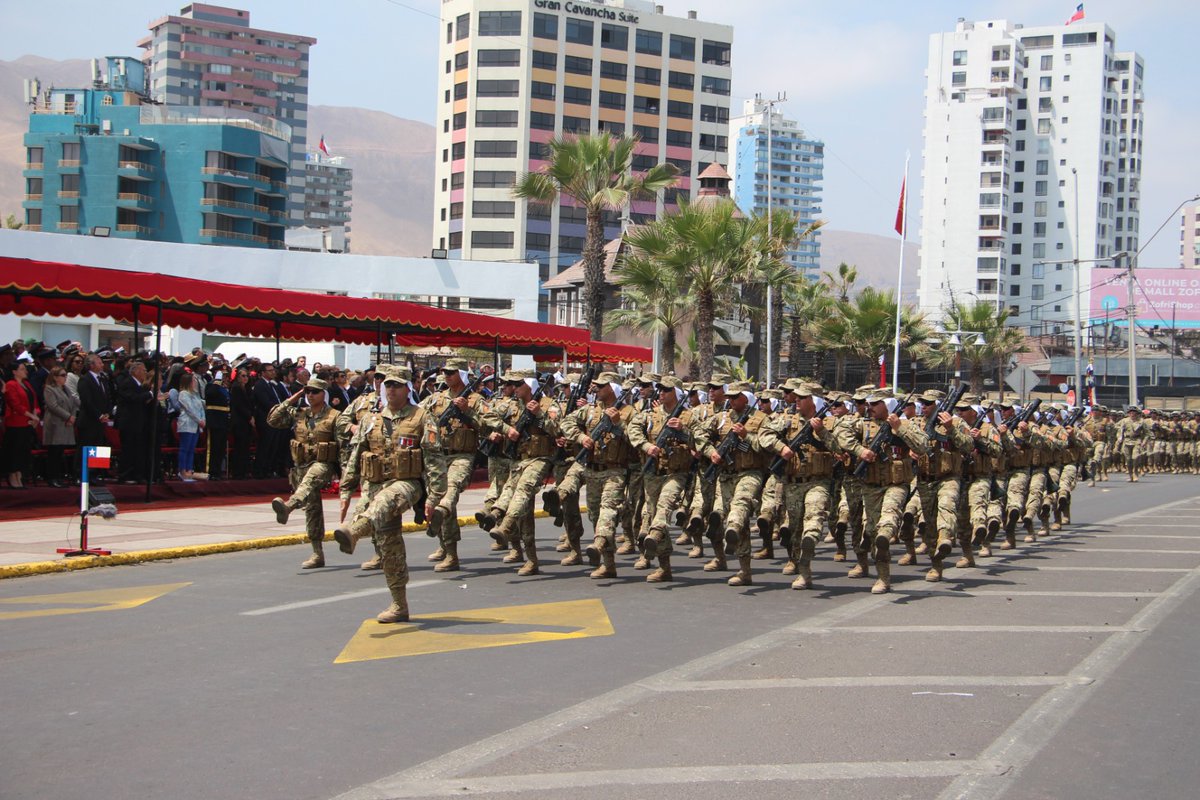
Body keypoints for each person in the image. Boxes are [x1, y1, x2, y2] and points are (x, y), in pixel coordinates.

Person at [334, 366, 433, 623]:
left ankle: (355, 532)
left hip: (407, 485)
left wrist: (435, 498)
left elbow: (435, 462)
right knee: (390, 548)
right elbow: (356, 456)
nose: (390, 389)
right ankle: (399, 605)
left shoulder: (422, 417)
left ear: (407, 388)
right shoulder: (371, 419)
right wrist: (346, 490)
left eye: (397, 385)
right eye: (387, 385)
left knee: (384, 501)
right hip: (376, 484)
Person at [419, 357, 486, 572]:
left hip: (462, 456)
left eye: (452, 372)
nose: (447, 376)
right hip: (438, 456)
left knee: (449, 492)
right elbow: (418, 416)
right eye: (445, 372)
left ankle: (451, 555)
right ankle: (445, 546)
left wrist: (468, 411)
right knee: (439, 500)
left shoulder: (476, 400)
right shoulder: (435, 399)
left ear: (462, 374)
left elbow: (487, 426)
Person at [269, 377, 341, 569]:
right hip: (301, 466)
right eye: (307, 391)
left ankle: (289, 507)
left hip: (323, 465)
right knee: (312, 508)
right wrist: (293, 398)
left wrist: (346, 475)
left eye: (314, 392)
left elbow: (345, 446)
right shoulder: (299, 413)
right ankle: (317, 553)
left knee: (310, 481)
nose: (310, 395)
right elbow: (273, 420)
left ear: (323, 394)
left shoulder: (335, 416)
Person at [114, 360, 158, 484]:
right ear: (136, 371)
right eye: (144, 370)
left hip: (138, 422)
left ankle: (136, 474)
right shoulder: (127, 383)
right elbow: (132, 398)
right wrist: (149, 394)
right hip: (128, 422)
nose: (145, 373)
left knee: (137, 449)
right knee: (128, 449)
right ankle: (124, 475)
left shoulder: (139, 385)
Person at [2, 362, 42, 489]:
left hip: (28, 422)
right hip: (16, 422)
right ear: (14, 371)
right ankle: (12, 475)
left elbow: (34, 401)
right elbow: (15, 404)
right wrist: (31, 415)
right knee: (15, 450)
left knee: (24, 451)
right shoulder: (10, 385)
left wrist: (36, 415)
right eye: (22, 369)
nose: (25, 371)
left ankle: (19, 474)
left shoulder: (27, 384)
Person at [42, 366, 79, 488]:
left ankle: (59, 476)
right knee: (54, 452)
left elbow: (74, 403)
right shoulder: (49, 389)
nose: (65, 378)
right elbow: (53, 406)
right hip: (55, 423)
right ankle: (52, 477)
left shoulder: (67, 389)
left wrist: (72, 416)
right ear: (55, 377)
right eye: (63, 375)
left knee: (60, 451)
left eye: (65, 375)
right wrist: (68, 416)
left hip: (66, 423)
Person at [172, 372, 205, 481]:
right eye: (194, 381)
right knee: (185, 448)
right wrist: (199, 420)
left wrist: (203, 419)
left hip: (196, 425)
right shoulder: (183, 394)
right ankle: (182, 470)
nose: (195, 383)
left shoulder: (195, 394)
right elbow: (189, 409)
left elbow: (200, 408)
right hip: (187, 423)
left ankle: (189, 470)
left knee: (191, 449)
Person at [204, 371, 231, 479]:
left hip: (224, 420)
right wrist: (216, 382)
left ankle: (217, 471)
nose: (224, 378)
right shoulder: (211, 386)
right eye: (222, 376)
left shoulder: (225, 389)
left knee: (220, 448)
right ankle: (210, 471)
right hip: (214, 420)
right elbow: (211, 394)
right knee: (213, 448)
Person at [229, 368, 254, 480]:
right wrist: (249, 417)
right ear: (238, 377)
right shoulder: (236, 388)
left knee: (245, 447)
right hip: (239, 421)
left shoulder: (246, 389)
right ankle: (238, 472)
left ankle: (244, 470)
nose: (245, 378)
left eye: (246, 376)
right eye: (243, 376)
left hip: (246, 422)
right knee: (240, 447)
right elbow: (239, 406)